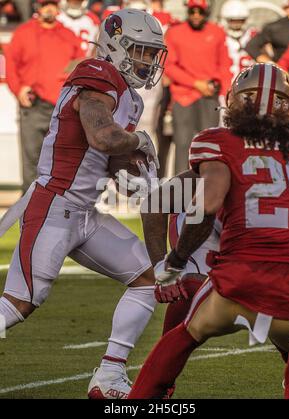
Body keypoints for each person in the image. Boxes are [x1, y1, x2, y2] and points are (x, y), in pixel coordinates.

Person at [0, 8, 168, 399]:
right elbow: (104, 138)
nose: (147, 61)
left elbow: (113, 165)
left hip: (86, 213)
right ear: (117, 46)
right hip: (55, 204)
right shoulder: (97, 74)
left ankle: (108, 376)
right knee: (20, 304)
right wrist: (140, 142)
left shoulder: (129, 97)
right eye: (141, 51)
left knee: (147, 279)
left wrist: (139, 177)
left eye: (151, 53)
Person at [129, 63, 289, 399]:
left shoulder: (219, 142)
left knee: (186, 332)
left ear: (234, 102)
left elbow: (202, 203)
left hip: (239, 277)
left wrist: (171, 263)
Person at [4, 0, 85, 195]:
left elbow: (81, 65)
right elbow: (11, 67)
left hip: (61, 107)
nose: (49, 8)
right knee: (32, 159)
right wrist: (18, 90)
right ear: (37, 8)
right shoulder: (23, 33)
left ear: (58, 8)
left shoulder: (68, 36)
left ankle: (57, 209)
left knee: (60, 160)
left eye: (52, 4)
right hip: (32, 105)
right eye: (44, 4)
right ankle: (29, 210)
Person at [165, 0, 232, 173]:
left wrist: (226, 95)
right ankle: (179, 186)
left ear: (206, 12)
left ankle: (209, 185)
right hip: (183, 95)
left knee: (209, 145)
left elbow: (224, 65)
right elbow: (169, 66)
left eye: (200, 12)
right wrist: (195, 83)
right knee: (182, 142)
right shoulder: (174, 33)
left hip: (209, 95)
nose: (196, 15)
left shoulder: (217, 32)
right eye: (192, 11)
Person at [220, 0, 256, 80]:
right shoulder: (218, 36)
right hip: (225, 82)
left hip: (247, 83)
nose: (236, 25)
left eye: (240, 21)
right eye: (233, 21)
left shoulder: (253, 35)